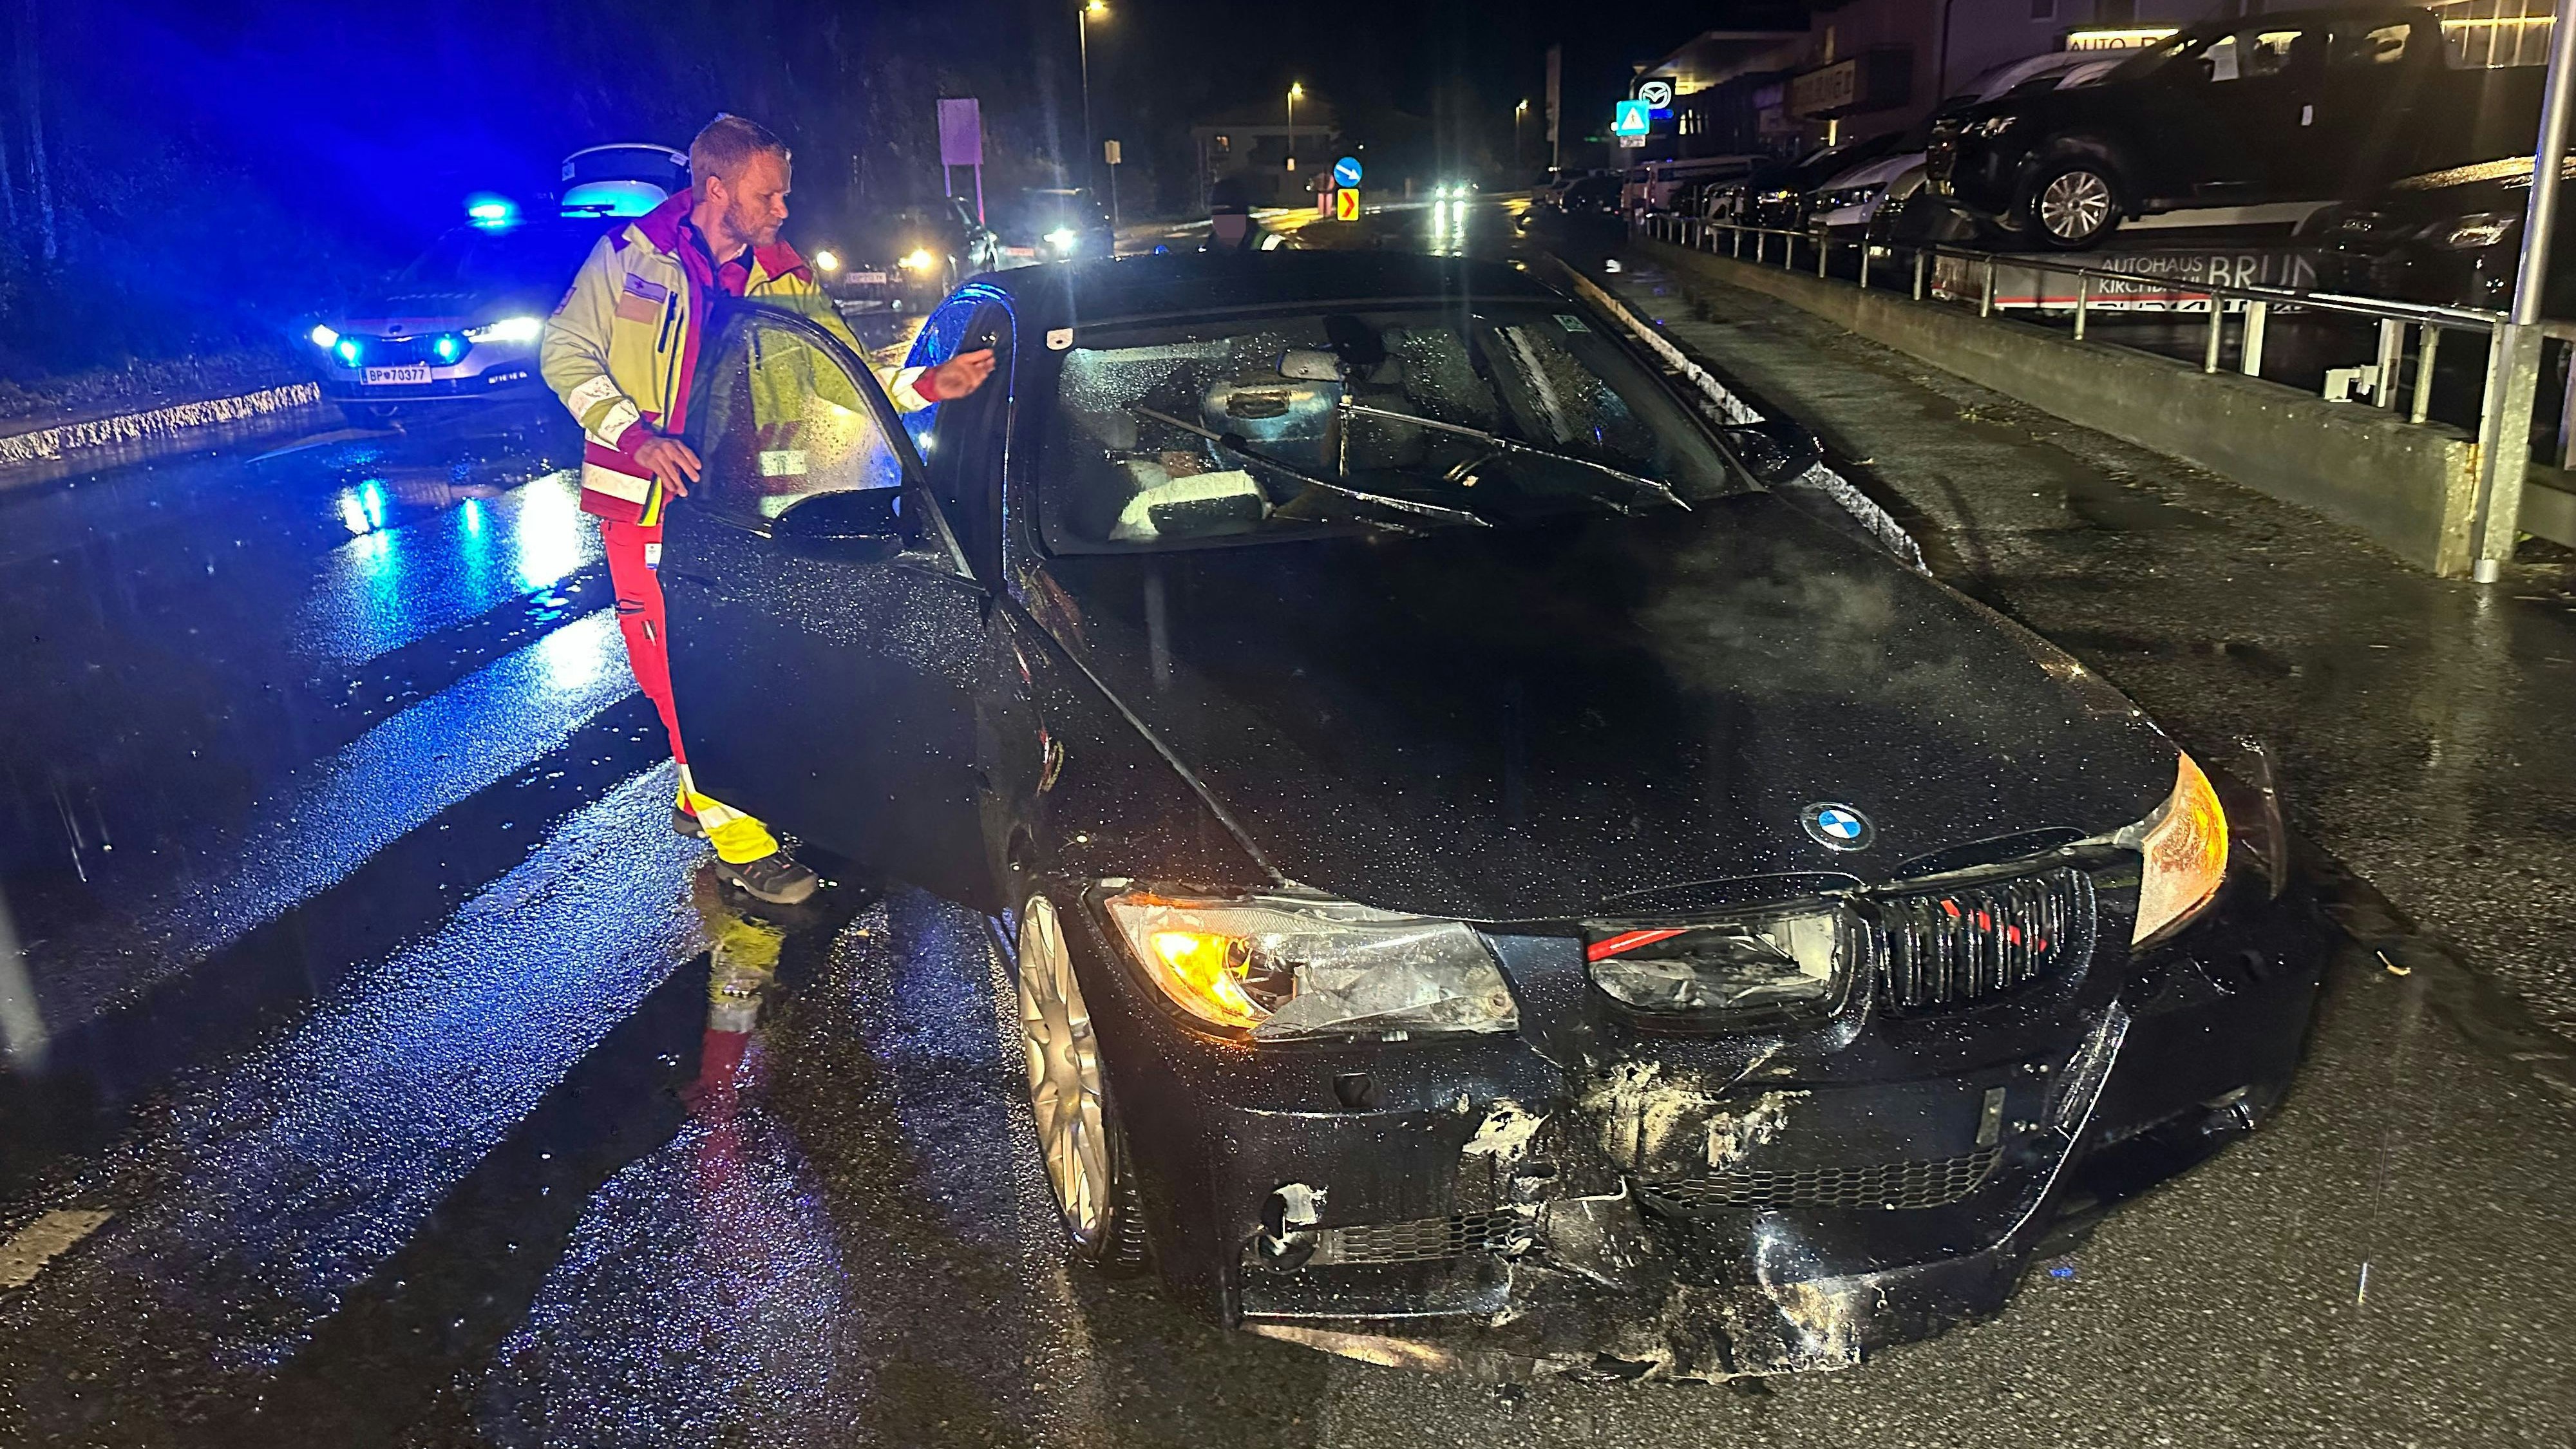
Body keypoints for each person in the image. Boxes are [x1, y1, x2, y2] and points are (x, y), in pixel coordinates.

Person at [542, 114, 995, 904]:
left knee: (738, 663)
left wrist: (924, 387)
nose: (783, 207)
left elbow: (834, 376)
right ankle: (741, 844)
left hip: (752, 508)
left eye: (784, 190)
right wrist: (637, 436)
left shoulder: (783, 272)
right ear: (715, 189)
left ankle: (705, 791)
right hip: (652, 505)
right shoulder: (629, 257)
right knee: (681, 673)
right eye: (769, 192)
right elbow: (564, 352)